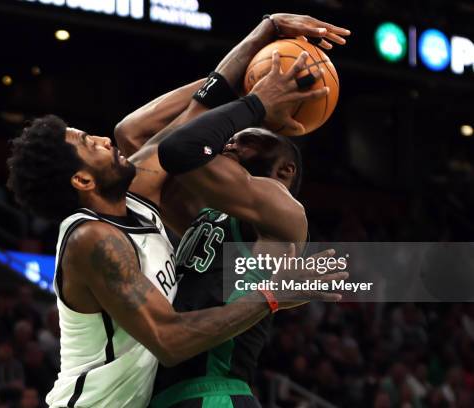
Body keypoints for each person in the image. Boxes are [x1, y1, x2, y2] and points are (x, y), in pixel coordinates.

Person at [6, 13, 349, 408]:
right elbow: (170, 340)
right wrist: (272, 296)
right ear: (82, 181)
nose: (101, 139)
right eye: (88, 144)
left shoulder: (137, 195)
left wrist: (266, 33)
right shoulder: (92, 239)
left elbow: (201, 107)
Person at [114, 14, 351, 407]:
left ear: (285, 168)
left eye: (243, 140)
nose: (227, 142)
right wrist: (253, 63)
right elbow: (133, 136)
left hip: (214, 392)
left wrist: (254, 103)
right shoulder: (203, 212)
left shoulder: (280, 209)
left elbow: (180, 148)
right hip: (166, 392)